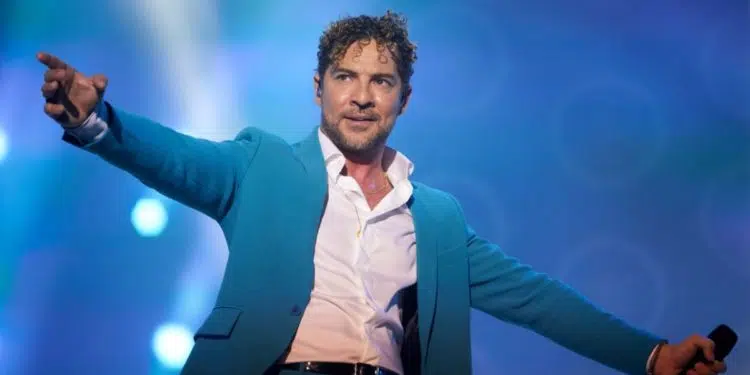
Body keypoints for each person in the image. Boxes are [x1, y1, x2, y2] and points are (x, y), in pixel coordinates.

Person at [37, 10, 727, 375]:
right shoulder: (263, 164)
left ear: (404, 98)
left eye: (381, 81)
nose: (361, 97)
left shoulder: (436, 217)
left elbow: (537, 299)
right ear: (318, 88)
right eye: (345, 77)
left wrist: (651, 354)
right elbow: (176, 162)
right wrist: (97, 119)